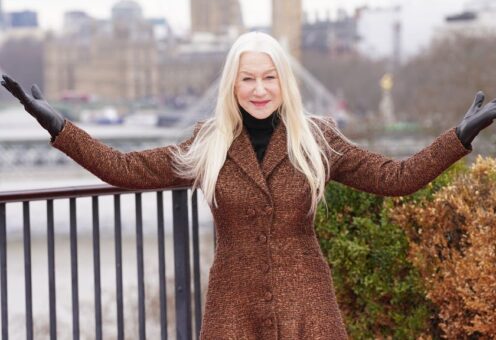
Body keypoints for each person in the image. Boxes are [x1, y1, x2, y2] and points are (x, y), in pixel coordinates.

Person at [2, 31, 495, 339]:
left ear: (284, 82)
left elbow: (397, 178)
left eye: (269, 78)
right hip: (233, 306)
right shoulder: (208, 143)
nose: (259, 90)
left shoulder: (317, 139)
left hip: (308, 307)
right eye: (247, 80)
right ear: (232, 87)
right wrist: (61, 129)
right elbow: (123, 167)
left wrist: (457, 138)